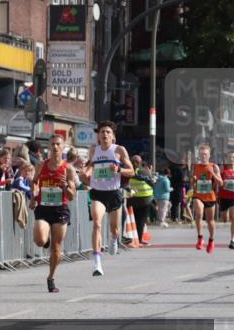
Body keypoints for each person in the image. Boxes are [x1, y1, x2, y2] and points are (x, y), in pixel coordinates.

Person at [83, 120, 133, 277]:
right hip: (98, 193)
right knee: (97, 224)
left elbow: (131, 171)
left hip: (113, 193)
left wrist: (119, 169)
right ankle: (97, 263)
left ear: (113, 137)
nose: (104, 134)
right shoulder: (94, 150)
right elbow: (90, 166)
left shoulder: (119, 150)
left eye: (108, 132)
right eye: (102, 132)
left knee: (114, 228)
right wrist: (85, 172)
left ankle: (114, 238)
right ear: (98, 136)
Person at [31, 134, 77, 293]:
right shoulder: (40, 165)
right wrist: (33, 196)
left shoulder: (68, 168)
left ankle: (51, 277)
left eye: (58, 144)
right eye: (52, 144)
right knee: (39, 240)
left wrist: (65, 187)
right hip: (43, 208)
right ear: (49, 147)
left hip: (60, 209)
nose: (55, 147)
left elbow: (72, 196)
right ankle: (46, 239)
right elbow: (34, 181)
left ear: (63, 147)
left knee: (56, 248)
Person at [190, 143, 222, 253]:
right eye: (201, 154)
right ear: (199, 155)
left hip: (210, 197)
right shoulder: (195, 166)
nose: (203, 156)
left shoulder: (214, 166)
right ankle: (200, 238)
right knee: (199, 213)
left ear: (209, 155)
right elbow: (191, 183)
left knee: (210, 220)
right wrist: (193, 180)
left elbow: (221, 183)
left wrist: (212, 173)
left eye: (205, 154)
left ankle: (211, 240)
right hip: (198, 195)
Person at [127, 155, 154, 247]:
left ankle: (134, 239)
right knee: (141, 221)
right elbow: (152, 182)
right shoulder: (143, 171)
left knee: (133, 220)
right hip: (145, 199)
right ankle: (138, 240)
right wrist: (150, 172)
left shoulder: (128, 171)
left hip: (133, 198)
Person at [219, 151, 234, 249]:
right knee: (225, 219)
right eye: (229, 157)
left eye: (233, 157)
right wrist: (222, 182)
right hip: (224, 197)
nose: (231, 159)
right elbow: (217, 180)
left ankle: (232, 240)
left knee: (233, 217)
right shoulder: (222, 168)